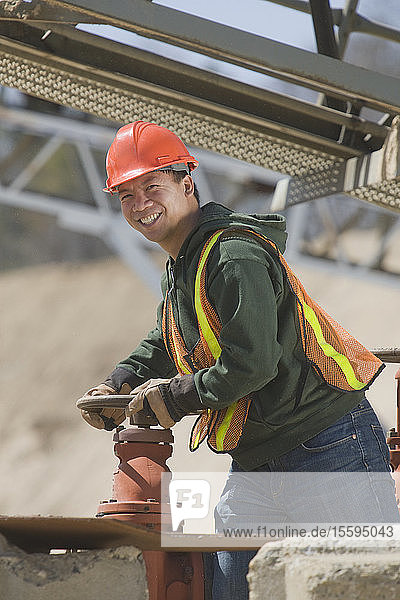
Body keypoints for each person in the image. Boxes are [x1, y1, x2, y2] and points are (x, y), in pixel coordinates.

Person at [80, 120, 399, 600]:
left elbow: (251, 365)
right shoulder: (185, 262)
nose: (140, 204)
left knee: (366, 584)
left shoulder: (231, 255)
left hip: (327, 444)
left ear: (187, 182)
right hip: (257, 459)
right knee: (233, 590)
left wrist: (173, 399)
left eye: (152, 186)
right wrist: (121, 381)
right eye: (126, 195)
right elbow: (172, 338)